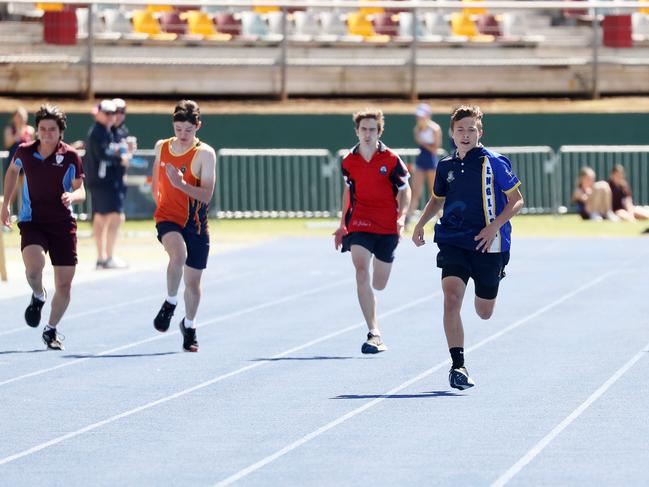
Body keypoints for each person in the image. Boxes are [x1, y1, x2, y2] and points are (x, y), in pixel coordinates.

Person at [412, 105, 524, 390]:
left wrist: (493, 227)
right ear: (451, 133)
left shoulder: (495, 162)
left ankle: (496, 274)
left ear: (480, 132)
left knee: (484, 312)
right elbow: (437, 199)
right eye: (460, 129)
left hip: (489, 244)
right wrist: (420, 223)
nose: (465, 134)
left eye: (471, 129)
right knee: (451, 298)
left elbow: (517, 200)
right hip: (453, 240)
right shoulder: (446, 165)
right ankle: (458, 365)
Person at [1, 105, 85, 350]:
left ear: (61, 132)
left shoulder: (70, 156)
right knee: (34, 270)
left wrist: (72, 196)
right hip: (32, 221)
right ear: (36, 130)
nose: (47, 133)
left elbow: (81, 188)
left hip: (62, 224)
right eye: (43, 129)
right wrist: (5, 204)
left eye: (52, 129)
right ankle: (38, 295)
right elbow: (11, 172)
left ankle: (51, 329)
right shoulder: (25, 151)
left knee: (65, 284)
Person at [334, 109, 412, 354]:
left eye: (372, 130)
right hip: (360, 222)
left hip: (387, 225)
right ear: (357, 131)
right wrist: (341, 223)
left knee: (379, 283)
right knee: (360, 270)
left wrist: (402, 217)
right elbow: (349, 192)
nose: (367, 134)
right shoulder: (348, 161)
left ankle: (375, 322)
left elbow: (405, 189)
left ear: (379, 132)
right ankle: (374, 331)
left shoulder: (391, 159)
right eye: (363, 129)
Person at [151, 100, 216, 353]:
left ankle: (189, 325)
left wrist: (180, 185)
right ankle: (169, 302)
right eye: (178, 129)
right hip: (168, 217)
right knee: (178, 255)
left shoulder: (205, 154)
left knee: (193, 282)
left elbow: (206, 195)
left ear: (198, 126)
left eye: (188, 130)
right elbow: (157, 175)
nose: (183, 135)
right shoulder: (162, 146)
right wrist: (158, 194)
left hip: (196, 223)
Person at [84, 99, 130, 269]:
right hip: (103, 182)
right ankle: (107, 257)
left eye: (116, 113)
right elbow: (102, 154)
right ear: (100, 114)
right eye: (109, 113)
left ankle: (103, 258)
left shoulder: (108, 131)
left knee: (103, 217)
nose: (113, 116)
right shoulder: (98, 131)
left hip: (106, 181)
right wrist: (120, 158)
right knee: (115, 217)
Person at [406, 103, 442, 226]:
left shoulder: (435, 129)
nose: (419, 119)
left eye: (421, 116)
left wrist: (424, 143)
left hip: (431, 161)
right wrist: (425, 144)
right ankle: (408, 218)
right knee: (415, 191)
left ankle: (440, 218)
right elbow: (421, 142)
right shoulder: (416, 129)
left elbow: (435, 148)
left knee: (434, 192)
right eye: (418, 116)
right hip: (421, 160)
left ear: (427, 116)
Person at [3, 106, 35, 214]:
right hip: (13, 166)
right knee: (11, 195)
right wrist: (18, 133)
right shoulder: (9, 130)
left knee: (29, 194)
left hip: (27, 166)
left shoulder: (30, 130)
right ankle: (2, 222)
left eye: (23, 115)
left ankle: (28, 220)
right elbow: (7, 143)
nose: (21, 118)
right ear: (14, 117)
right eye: (19, 116)